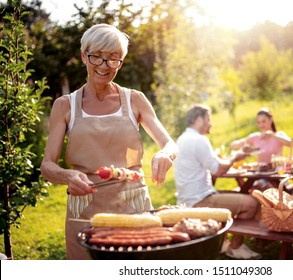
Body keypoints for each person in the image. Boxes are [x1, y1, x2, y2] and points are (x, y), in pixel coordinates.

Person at [40, 24, 178, 259]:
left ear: (120, 62)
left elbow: (170, 144)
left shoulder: (135, 100)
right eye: (97, 57)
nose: (104, 66)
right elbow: (47, 166)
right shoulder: (65, 105)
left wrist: (164, 154)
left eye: (113, 59)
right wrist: (68, 176)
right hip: (84, 208)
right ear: (84, 56)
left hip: (133, 202)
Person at [174, 104, 262, 259]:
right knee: (252, 202)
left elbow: (213, 165)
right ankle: (235, 247)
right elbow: (219, 170)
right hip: (199, 200)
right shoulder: (198, 140)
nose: (211, 123)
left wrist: (234, 156)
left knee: (238, 195)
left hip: (188, 198)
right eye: (209, 119)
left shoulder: (182, 138)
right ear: (199, 119)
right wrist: (235, 157)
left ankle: (224, 243)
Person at [230, 107, 293, 189]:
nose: (261, 125)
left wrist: (272, 134)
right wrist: (245, 147)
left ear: (270, 120)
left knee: (267, 187)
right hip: (261, 175)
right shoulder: (256, 137)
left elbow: (290, 143)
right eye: (258, 122)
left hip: (277, 174)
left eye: (264, 121)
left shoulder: (278, 135)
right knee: (258, 186)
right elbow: (233, 145)